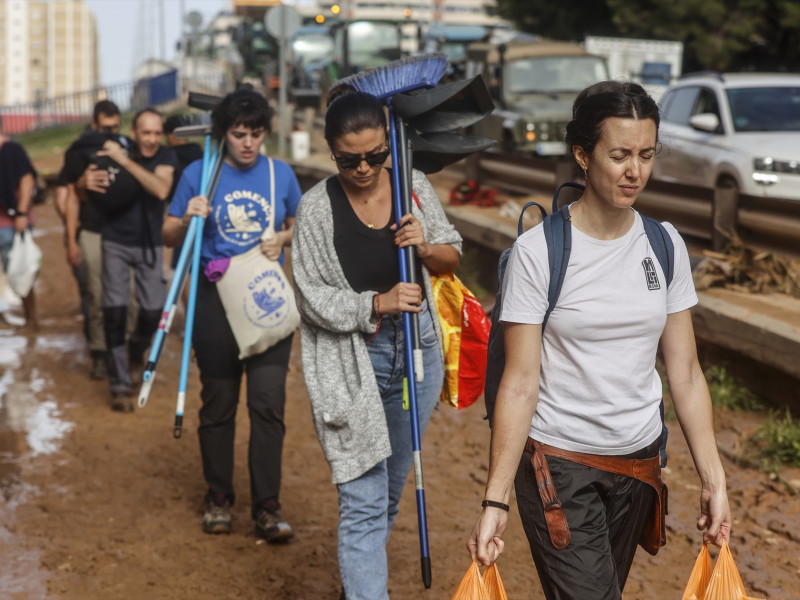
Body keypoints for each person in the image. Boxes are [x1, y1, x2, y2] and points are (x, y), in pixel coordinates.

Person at [467, 81, 732, 600]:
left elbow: (685, 372)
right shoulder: (538, 252)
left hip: (638, 466)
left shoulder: (665, 244)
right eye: (619, 155)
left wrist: (714, 480)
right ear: (583, 155)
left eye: (646, 155)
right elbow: (519, 385)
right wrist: (494, 501)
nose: (635, 171)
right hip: (558, 466)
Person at [291, 91, 463, 600]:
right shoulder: (316, 209)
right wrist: (376, 304)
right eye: (349, 159)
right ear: (331, 150)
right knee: (362, 501)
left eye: (375, 155)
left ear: (388, 145)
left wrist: (425, 244)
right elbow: (310, 297)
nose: (364, 168)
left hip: (418, 356)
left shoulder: (412, 185)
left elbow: (451, 257)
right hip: (353, 364)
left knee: (388, 493)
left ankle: (357, 589)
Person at [163, 88, 301, 541]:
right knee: (219, 404)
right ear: (223, 133)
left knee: (267, 405)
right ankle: (218, 497)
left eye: (256, 134)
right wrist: (187, 219)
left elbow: (300, 223)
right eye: (238, 134)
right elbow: (167, 233)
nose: (247, 143)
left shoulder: (281, 175)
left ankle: (267, 507)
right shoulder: (198, 173)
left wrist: (282, 239)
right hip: (212, 301)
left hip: (265, 299)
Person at [94, 107, 176, 411]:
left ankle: (134, 352)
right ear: (134, 132)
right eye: (146, 133)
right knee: (114, 312)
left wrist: (123, 160)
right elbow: (86, 176)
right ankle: (119, 385)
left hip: (150, 244)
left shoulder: (165, 157)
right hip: (114, 240)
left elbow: (160, 189)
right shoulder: (113, 149)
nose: (152, 139)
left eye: (157, 133)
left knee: (154, 314)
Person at [0, 132, 37, 330]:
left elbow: (27, 180)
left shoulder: (10, 150)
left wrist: (21, 213)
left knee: (19, 271)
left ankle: (31, 317)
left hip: (10, 223)